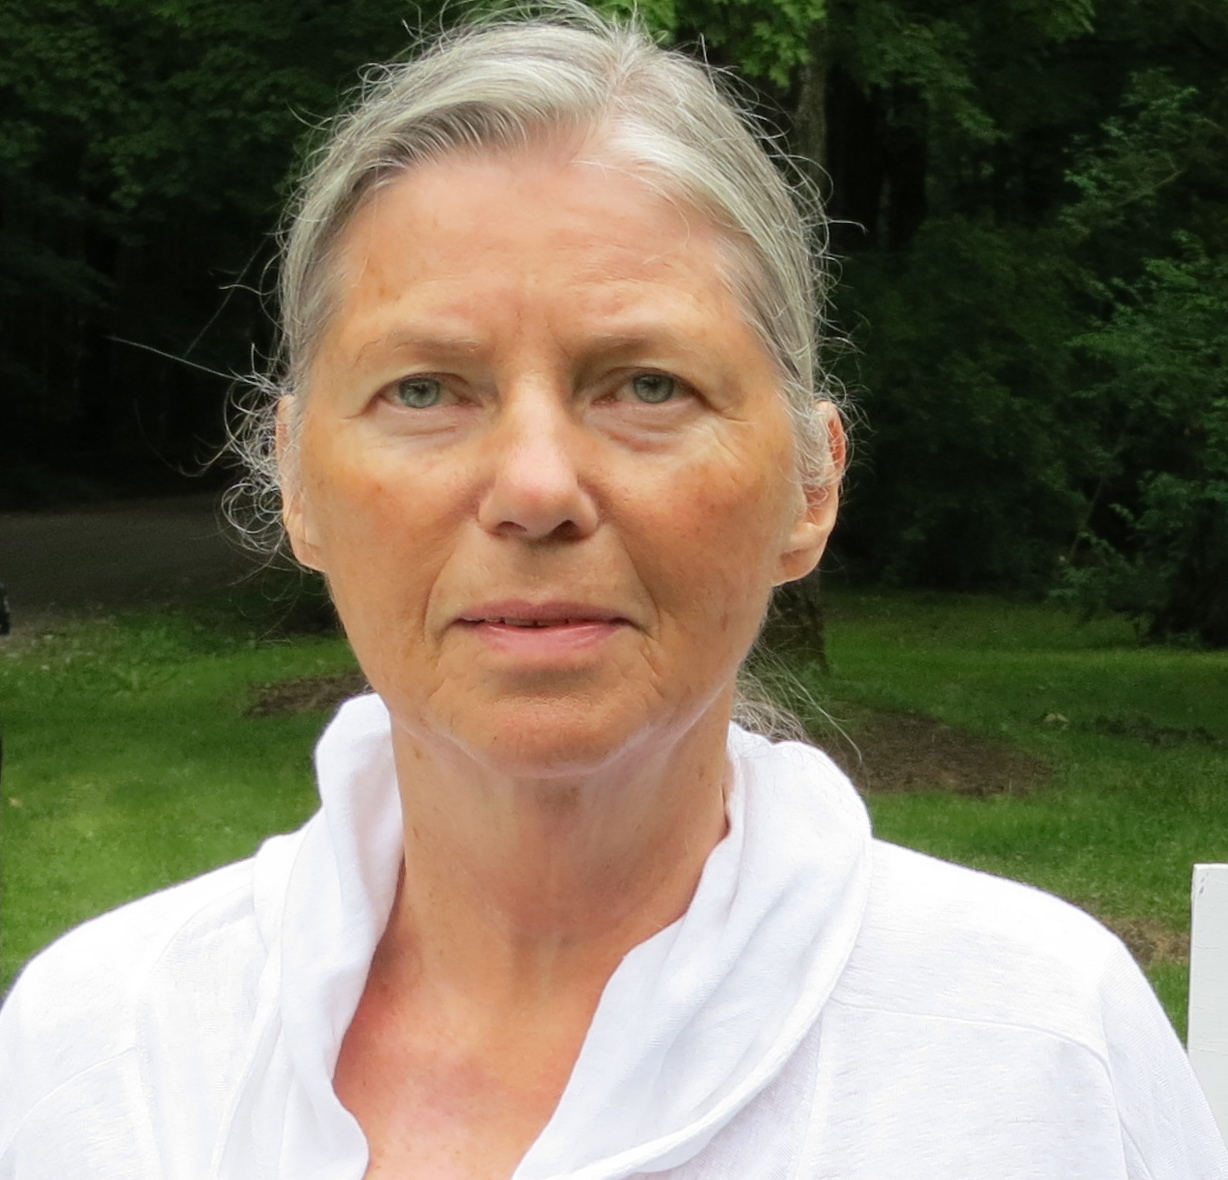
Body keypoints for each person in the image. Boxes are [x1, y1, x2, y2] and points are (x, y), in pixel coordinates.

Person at [1, 8, 1224, 1178]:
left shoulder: (1039, 1059)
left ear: (810, 483)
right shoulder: (96, 1056)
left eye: (646, 385)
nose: (536, 487)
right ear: (297, 483)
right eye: (424, 389)